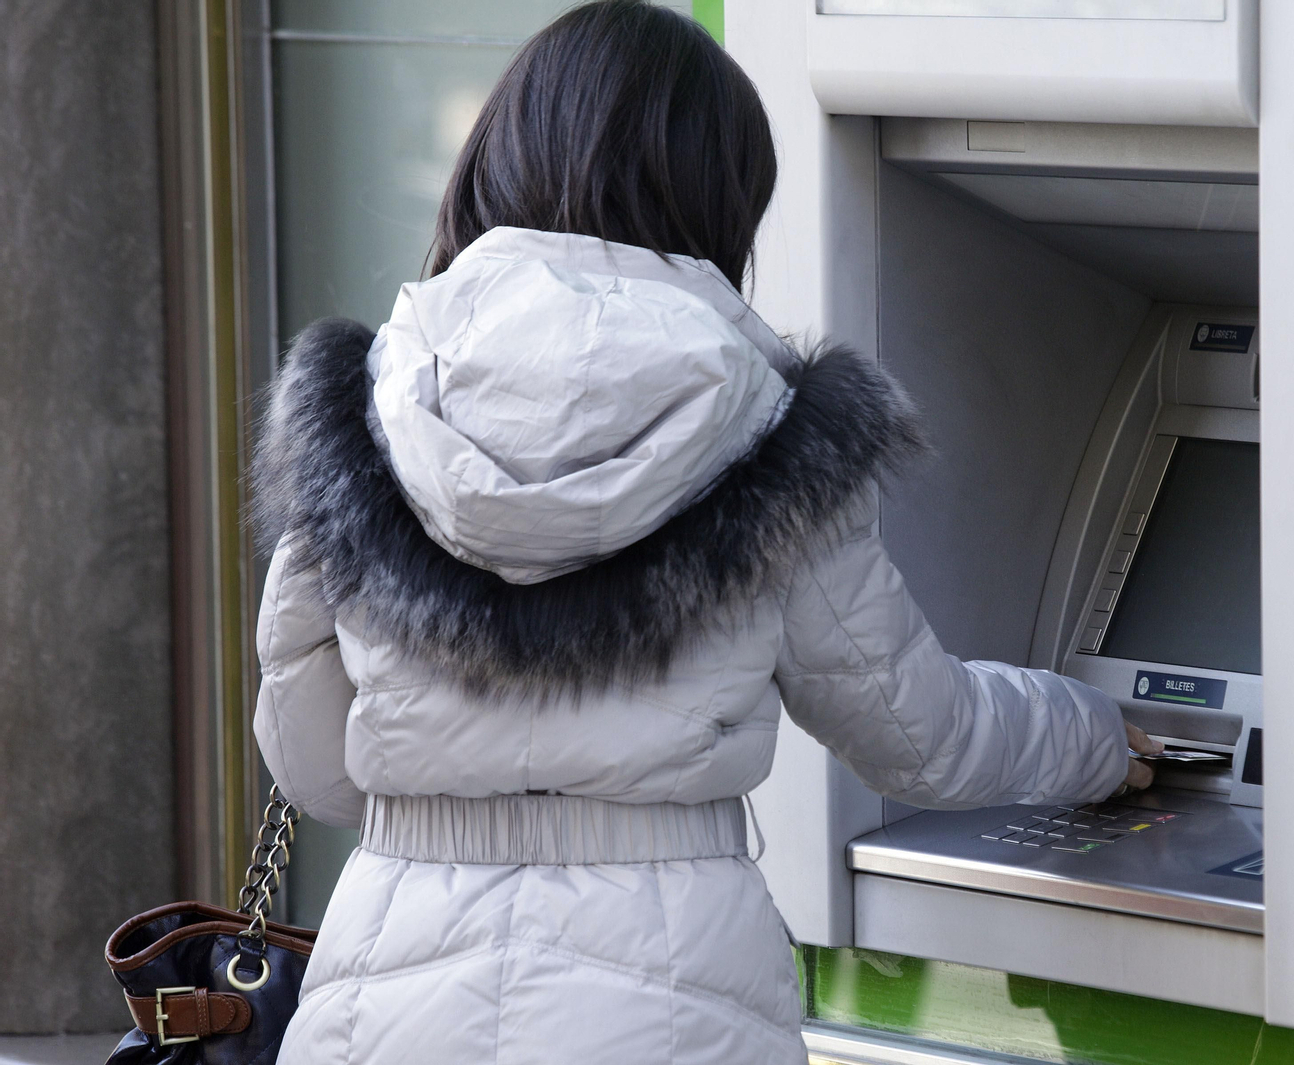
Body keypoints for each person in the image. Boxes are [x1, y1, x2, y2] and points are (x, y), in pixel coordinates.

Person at [251, 2, 1160, 1061]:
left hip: (384, 1010)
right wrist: (1095, 736)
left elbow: (314, 768)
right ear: (719, 201)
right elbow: (924, 738)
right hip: (670, 1007)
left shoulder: (363, 414)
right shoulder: (772, 434)